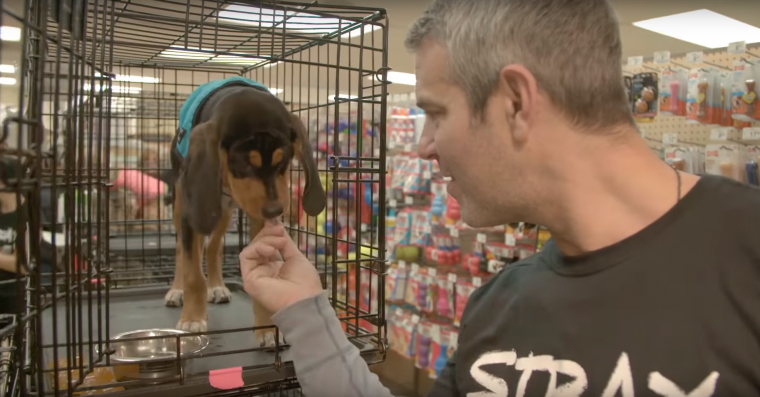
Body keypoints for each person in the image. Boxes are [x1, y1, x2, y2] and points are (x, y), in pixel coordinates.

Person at [239, 0, 760, 395]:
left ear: (515, 101)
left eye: (437, 113)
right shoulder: (496, 307)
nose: (423, 147)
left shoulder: (746, 259)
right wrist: (306, 312)